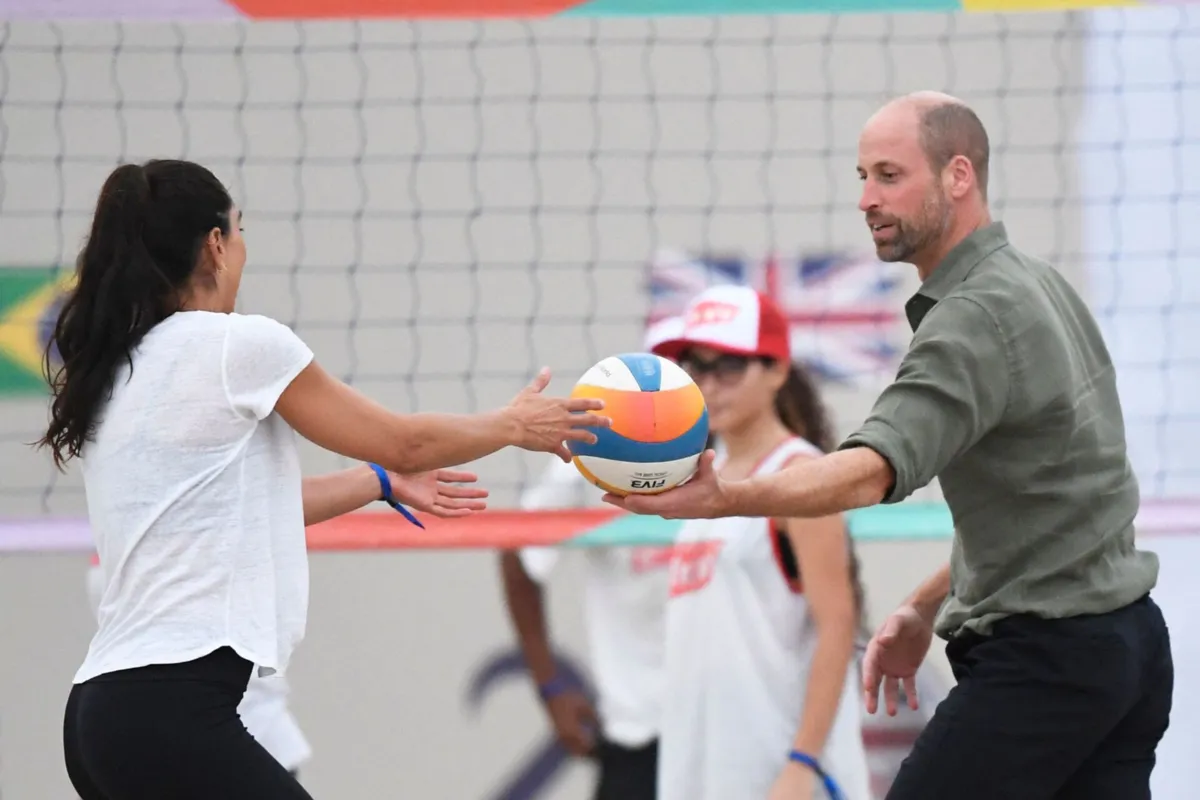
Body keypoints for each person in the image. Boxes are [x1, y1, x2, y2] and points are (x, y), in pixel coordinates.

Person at [602, 91, 1172, 800]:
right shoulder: (1039, 285)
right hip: (1127, 644)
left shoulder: (971, 318)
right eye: (862, 177)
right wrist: (931, 600)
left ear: (958, 176)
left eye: (889, 175)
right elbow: (1056, 511)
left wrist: (726, 498)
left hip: (1049, 659)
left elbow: (870, 474)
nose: (867, 198)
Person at [38, 158, 610, 800]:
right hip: (170, 707)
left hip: (98, 713)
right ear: (216, 245)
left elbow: (249, 505)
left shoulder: (119, 369)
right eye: (240, 230)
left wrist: (379, 482)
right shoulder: (236, 347)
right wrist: (513, 425)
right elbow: (407, 440)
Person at [645, 284, 872, 800]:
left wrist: (802, 763)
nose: (708, 384)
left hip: (776, 769)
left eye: (728, 366)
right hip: (704, 765)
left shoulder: (799, 474)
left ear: (776, 370)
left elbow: (837, 622)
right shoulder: (706, 478)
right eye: (695, 367)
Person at [498, 316, 685, 800]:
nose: (698, 374)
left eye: (715, 364)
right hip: (637, 731)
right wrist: (550, 684)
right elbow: (519, 552)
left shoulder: (758, 459)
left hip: (736, 728)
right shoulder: (600, 456)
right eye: (679, 363)